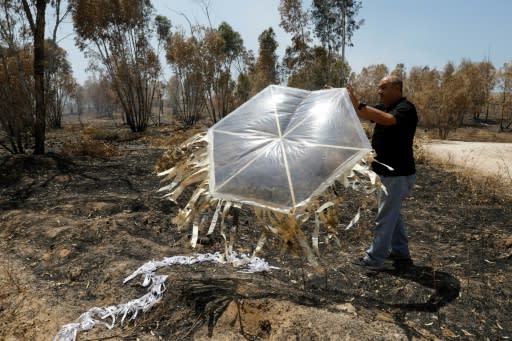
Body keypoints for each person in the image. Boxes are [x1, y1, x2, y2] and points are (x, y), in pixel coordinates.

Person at [346, 75, 418, 270]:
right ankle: (401, 254)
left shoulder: (405, 109)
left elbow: (387, 120)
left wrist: (358, 103)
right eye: (379, 88)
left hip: (398, 175)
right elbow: (367, 113)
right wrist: (344, 99)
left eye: (383, 87)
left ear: (397, 88)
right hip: (387, 175)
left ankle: (374, 259)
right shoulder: (386, 107)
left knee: (385, 217)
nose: (379, 91)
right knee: (393, 215)